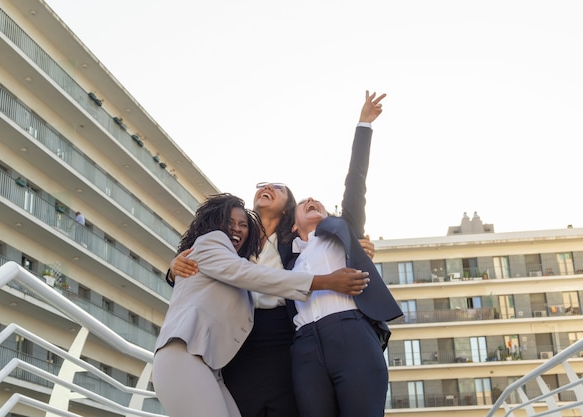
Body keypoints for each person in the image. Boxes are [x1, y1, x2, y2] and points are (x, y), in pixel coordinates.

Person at [152, 193, 370, 417]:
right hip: (188, 353)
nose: (236, 228)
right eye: (229, 222)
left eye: (242, 224)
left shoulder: (286, 244)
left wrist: (354, 247)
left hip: (217, 363)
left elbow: (314, 247)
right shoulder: (212, 241)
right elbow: (247, 274)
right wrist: (324, 282)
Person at [288, 90, 403, 417]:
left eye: (317, 203)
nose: (311, 200)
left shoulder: (343, 231)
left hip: (351, 333)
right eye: (303, 203)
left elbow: (356, 181)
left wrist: (363, 125)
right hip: (304, 346)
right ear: (293, 226)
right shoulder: (287, 258)